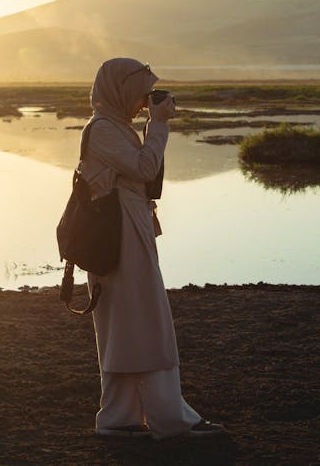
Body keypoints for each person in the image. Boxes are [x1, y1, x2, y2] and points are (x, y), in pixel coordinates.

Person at [79, 57, 225, 440]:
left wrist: (150, 126)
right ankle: (169, 419)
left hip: (128, 230)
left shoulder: (115, 128)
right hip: (121, 237)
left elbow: (143, 177)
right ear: (120, 89)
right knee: (145, 322)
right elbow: (144, 171)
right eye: (141, 93)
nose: (145, 102)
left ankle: (119, 418)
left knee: (127, 325)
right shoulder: (103, 131)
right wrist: (157, 126)